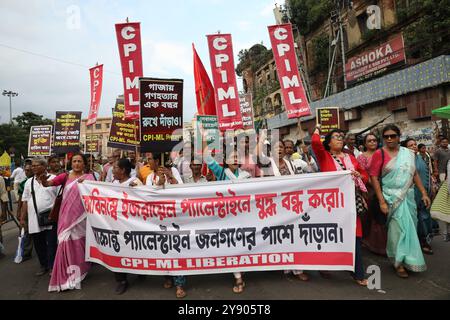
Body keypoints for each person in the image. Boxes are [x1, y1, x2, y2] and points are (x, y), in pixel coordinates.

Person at [370, 125, 430, 278]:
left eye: (393, 136)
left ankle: (409, 260)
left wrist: (423, 192)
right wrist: (382, 201)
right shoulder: (379, 154)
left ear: (399, 137)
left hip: (408, 196)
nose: (389, 139)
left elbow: (414, 174)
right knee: (398, 231)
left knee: (410, 229)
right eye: (386, 137)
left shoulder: (408, 154)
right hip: (390, 197)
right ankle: (398, 263)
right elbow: (374, 178)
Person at [312, 125, 369, 286]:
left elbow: (364, 175)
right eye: (336, 136)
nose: (340, 138)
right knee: (330, 235)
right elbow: (315, 142)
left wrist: (360, 176)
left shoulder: (351, 158)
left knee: (355, 236)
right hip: (331, 204)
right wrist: (317, 129)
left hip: (352, 202)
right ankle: (324, 265)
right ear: (329, 142)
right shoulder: (324, 156)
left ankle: (358, 273)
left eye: (341, 136)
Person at [39, 153, 96, 291]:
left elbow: (97, 193)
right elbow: (49, 183)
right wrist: (43, 180)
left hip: (81, 218)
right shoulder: (64, 176)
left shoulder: (89, 177)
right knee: (64, 243)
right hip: (65, 218)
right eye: (74, 161)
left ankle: (80, 269)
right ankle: (65, 274)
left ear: (84, 164)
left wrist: (87, 184)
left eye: (79, 161)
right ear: (71, 163)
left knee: (79, 244)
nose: (76, 163)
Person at [204, 141, 250, 293]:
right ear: (226, 160)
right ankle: (238, 277)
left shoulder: (247, 176)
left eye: (238, 156)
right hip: (228, 217)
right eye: (232, 157)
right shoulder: (221, 172)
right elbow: (206, 156)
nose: (235, 159)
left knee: (243, 245)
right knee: (233, 246)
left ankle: (241, 271)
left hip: (244, 216)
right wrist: (211, 140)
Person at [110, 158, 143, 295]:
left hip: (133, 224)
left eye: (115, 167)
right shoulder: (112, 184)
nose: (112, 170)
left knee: (136, 249)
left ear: (123, 170)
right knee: (118, 250)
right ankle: (121, 280)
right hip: (116, 224)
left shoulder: (135, 182)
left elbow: (144, 199)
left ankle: (141, 270)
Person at [21, 158, 58, 276]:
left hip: (50, 217)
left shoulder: (53, 179)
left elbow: (59, 198)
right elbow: (25, 201)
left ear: (44, 166)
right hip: (34, 219)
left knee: (51, 243)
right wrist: (22, 218)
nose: (33, 167)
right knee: (38, 243)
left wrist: (56, 212)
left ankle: (52, 266)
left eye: (36, 165)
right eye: (33, 166)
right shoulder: (28, 182)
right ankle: (44, 265)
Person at [402, 138, 434, 254]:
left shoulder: (420, 157)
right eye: (410, 145)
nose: (414, 146)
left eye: (415, 144)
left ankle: (425, 240)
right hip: (411, 193)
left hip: (423, 192)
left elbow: (426, 174)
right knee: (416, 217)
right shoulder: (404, 160)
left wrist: (430, 188)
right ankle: (420, 241)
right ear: (405, 148)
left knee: (424, 215)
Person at [357, 133, 387, 256]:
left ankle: (384, 244)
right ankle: (372, 243)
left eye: (374, 140)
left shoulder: (383, 153)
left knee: (384, 216)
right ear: (365, 143)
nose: (372, 142)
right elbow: (363, 174)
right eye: (369, 141)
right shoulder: (362, 157)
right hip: (370, 189)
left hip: (386, 187)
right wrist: (375, 184)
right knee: (372, 216)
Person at [17, 163, 35, 261]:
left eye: (29, 170)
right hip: (25, 210)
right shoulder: (23, 183)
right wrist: (19, 211)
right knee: (25, 231)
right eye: (26, 170)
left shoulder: (39, 181)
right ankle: (25, 252)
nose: (27, 172)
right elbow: (21, 198)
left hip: (36, 210)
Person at [430, 159, 450, 241]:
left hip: (447, 188)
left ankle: (446, 234)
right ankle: (446, 233)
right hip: (447, 189)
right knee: (444, 211)